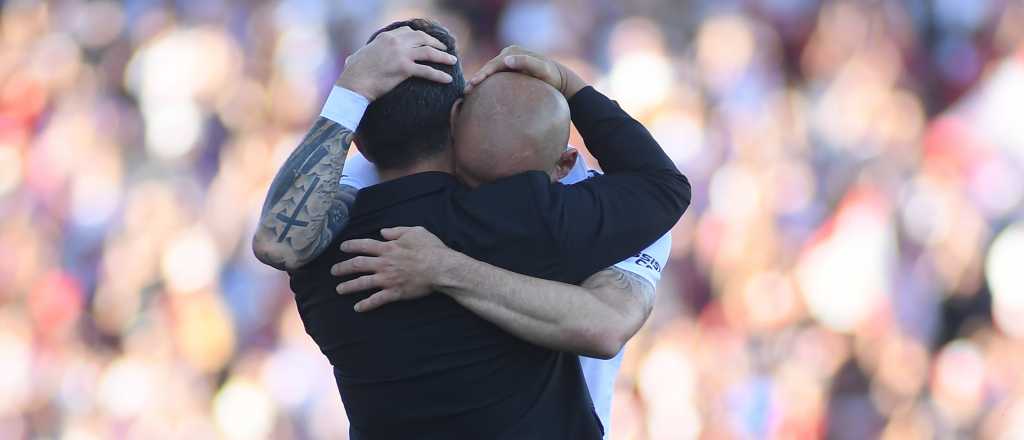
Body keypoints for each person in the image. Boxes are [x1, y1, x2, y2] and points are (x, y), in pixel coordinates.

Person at [253, 19, 690, 439]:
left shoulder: (322, 249)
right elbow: (662, 189)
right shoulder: (525, 215)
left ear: (359, 141)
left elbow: (276, 241)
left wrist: (350, 92)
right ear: (458, 117)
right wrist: (569, 84)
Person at [330, 71, 672, 437]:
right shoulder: (390, 168)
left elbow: (605, 326)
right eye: (466, 172)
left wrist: (445, 268)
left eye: (508, 190)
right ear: (455, 123)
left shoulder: (628, 219)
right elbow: (278, 238)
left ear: (563, 166)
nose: (482, 203)